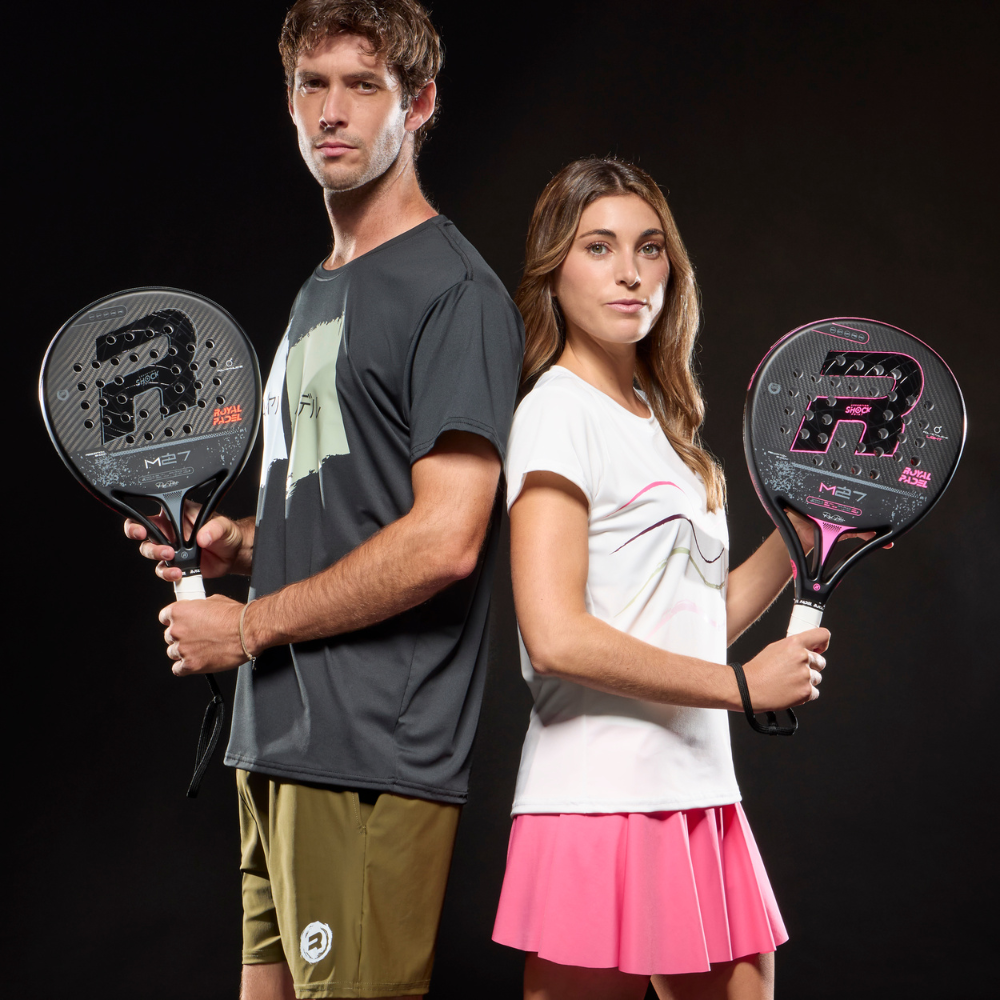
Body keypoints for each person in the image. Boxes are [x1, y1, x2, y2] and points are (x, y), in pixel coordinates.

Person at [126, 2, 523, 998]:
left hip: (368, 755)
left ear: (418, 105)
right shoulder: (320, 289)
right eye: (313, 84)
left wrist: (247, 625)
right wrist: (240, 547)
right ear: (290, 101)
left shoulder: (454, 294)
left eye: (363, 85)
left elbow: (443, 539)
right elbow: (351, 515)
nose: (333, 112)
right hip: (276, 740)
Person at [490, 158, 832, 1000]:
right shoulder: (557, 412)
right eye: (599, 247)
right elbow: (555, 633)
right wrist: (741, 688)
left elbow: (686, 623)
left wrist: (810, 537)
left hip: (698, 785)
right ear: (553, 271)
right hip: (597, 797)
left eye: (649, 248)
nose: (631, 270)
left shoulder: (666, 426)